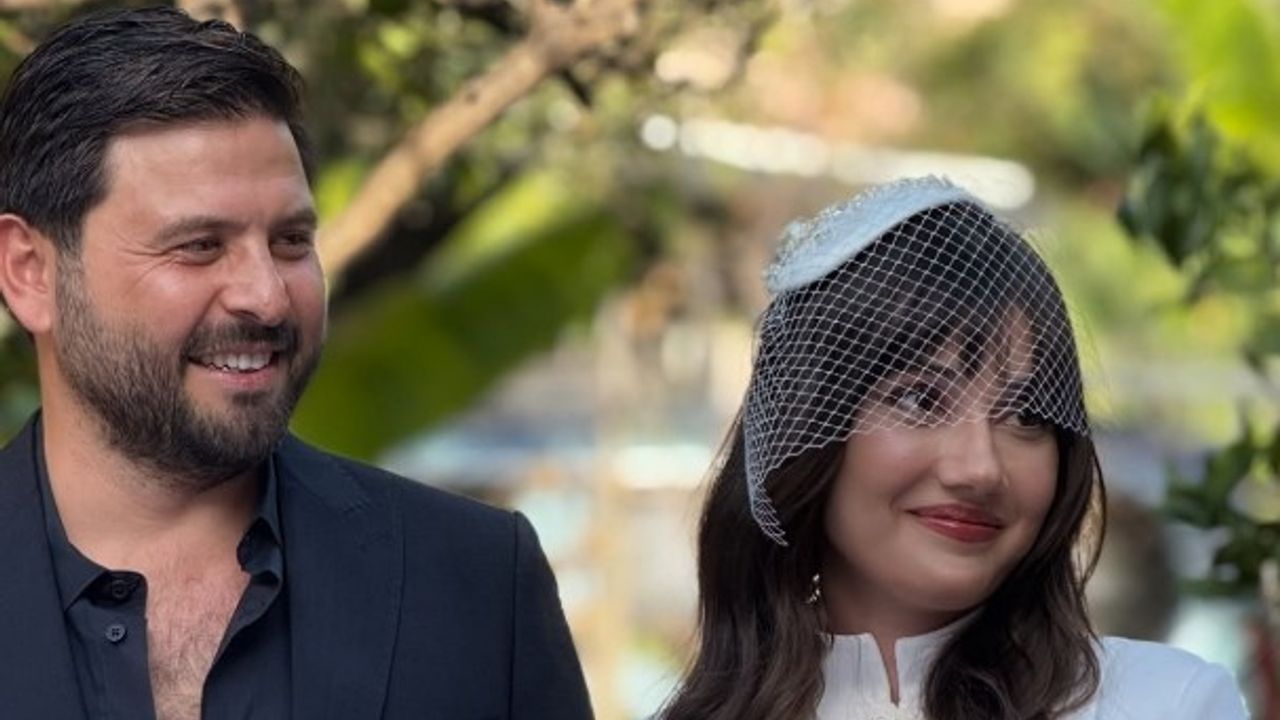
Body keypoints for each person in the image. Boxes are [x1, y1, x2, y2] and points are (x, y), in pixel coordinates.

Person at [0, 7, 591, 719]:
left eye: (290, 241)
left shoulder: (477, 582)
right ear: (30, 272)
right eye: (199, 246)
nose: (267, 296)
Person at [660, 177, 1249, 720]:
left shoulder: (1167, 703)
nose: (980, 469)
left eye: (1025, 414)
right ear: (808, 422)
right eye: (921, 400)